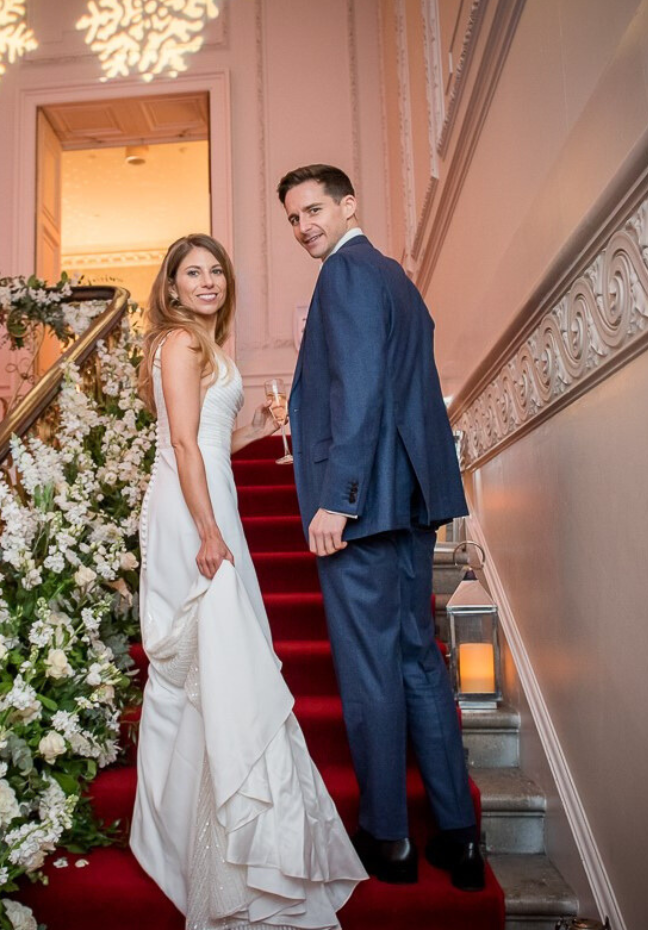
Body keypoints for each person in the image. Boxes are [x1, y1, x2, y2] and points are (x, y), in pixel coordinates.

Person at [129, 234, 367, 929]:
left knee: (226, 665)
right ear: (170, 288)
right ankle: (203, 837)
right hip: (187, 510)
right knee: (218, 659)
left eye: (215, 272)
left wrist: (258, 425)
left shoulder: (210, 347)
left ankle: (224, 832)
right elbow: (178, 445)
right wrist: (207, 531)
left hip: (211, 497)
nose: (207, 282)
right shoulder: (176, 343)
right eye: (192, 273)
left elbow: (209, 439)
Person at [277, 165, 485, 891]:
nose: (305, 227)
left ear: (348, 204)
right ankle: (459, 836)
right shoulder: (395, 277)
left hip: (363, 515)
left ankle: (388, 838)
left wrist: (339, 498)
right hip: (410, 505)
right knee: (419, 663)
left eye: (313, 211)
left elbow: (359, 390)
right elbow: (400, 391)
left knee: (370, 674)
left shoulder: (345, 275)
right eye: (294, 219)